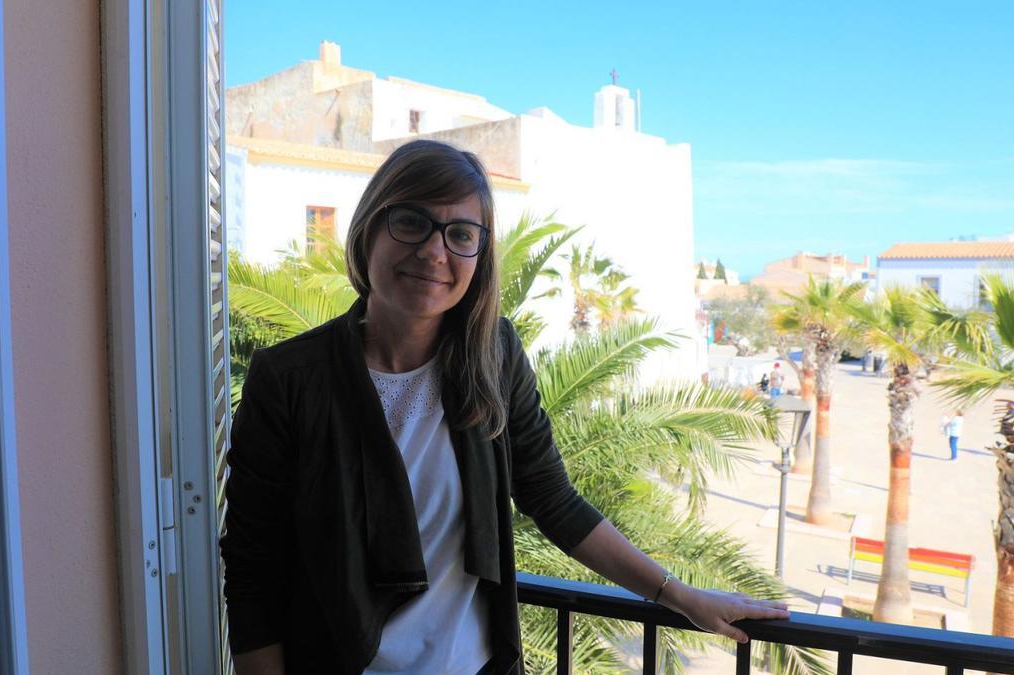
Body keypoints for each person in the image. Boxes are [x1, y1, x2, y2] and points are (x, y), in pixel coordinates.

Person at [220, 140, 789, 675]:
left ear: (480, 255)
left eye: (461, 234)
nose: (434, 251)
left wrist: (678, 595)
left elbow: (551, 498)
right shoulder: (290, 379)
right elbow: (253, 571)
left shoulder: (493, 356)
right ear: (369, 229)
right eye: (412, 222)